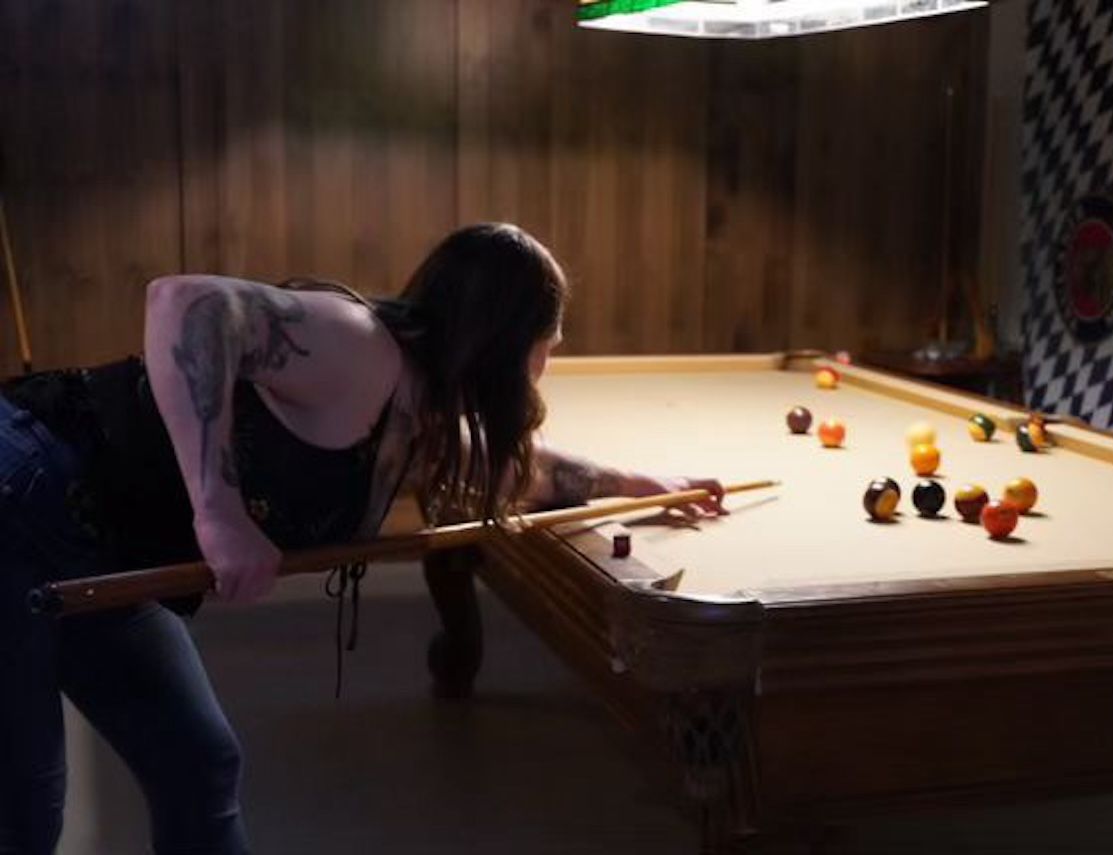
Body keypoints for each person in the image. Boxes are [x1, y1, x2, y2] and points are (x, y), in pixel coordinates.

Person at [0, 222, 725, 854]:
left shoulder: (416, 407)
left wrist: (634, 482)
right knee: (23, 816)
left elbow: (516, 472)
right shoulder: (360, 349)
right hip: (20, 494)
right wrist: (217, 508)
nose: (545, 369)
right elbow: (186, 302)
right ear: (505, 345)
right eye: (546, 347)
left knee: (198, 765)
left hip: (100, 544)